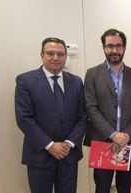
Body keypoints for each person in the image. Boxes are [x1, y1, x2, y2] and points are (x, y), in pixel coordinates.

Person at [15, 37, 87, 193]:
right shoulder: (25, 81)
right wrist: (50, 145)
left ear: (66, 57)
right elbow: (24, 118)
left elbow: (82, 117)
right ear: (42, 55)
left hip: (68, 155)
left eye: (60, 54)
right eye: (50, 53)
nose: (55, 58)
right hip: (40, 156)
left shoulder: (76, 82)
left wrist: (68, 143)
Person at [83, 28, 131, 193]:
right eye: (110, 46)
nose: (114, 50)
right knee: (102, 188)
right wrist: (113, 134)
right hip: (102, 142)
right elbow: (91, 108)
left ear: (124, 48)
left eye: (118, 46)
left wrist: (125, 136)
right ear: (103, 48)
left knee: (124, 188)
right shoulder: (92, 74)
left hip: (128, 143)